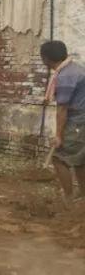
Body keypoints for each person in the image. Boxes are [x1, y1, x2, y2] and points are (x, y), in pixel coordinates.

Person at [41, 40, 85, 202]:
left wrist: (58, 135)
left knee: (59, 158)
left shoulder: (66, 76)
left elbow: (62, 109)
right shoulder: (74, 68)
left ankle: (69, 197)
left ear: (46, 58)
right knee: (80, 159)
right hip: (81, 118)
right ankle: (82, 194)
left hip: (78, 120)